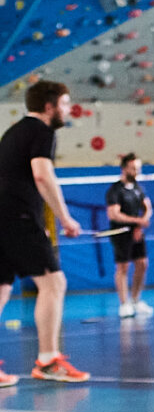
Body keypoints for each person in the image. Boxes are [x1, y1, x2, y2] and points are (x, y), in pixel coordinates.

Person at [0, 80, 89, 382]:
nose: (68, 109)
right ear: (49, 107)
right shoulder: (42, 131)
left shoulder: (12, 133)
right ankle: (48, 361)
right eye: (64, 103)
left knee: (1, 288)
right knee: (54, 283)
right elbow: (42, 175)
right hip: (18, 217)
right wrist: (65, 219)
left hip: (5, 218)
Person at [105, 153, 154, 319]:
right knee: (123, 267)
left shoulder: (138, 188)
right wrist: (137, 221)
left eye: (138, 168)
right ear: (124, 168)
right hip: (121, 234)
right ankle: (124, 304)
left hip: (137, 233)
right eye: (133, 168)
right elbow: (113, 214)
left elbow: (147, 207)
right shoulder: (115, 190)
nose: (136, 171)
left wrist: (141, 223)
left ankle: (135, 300)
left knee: (142, 264)